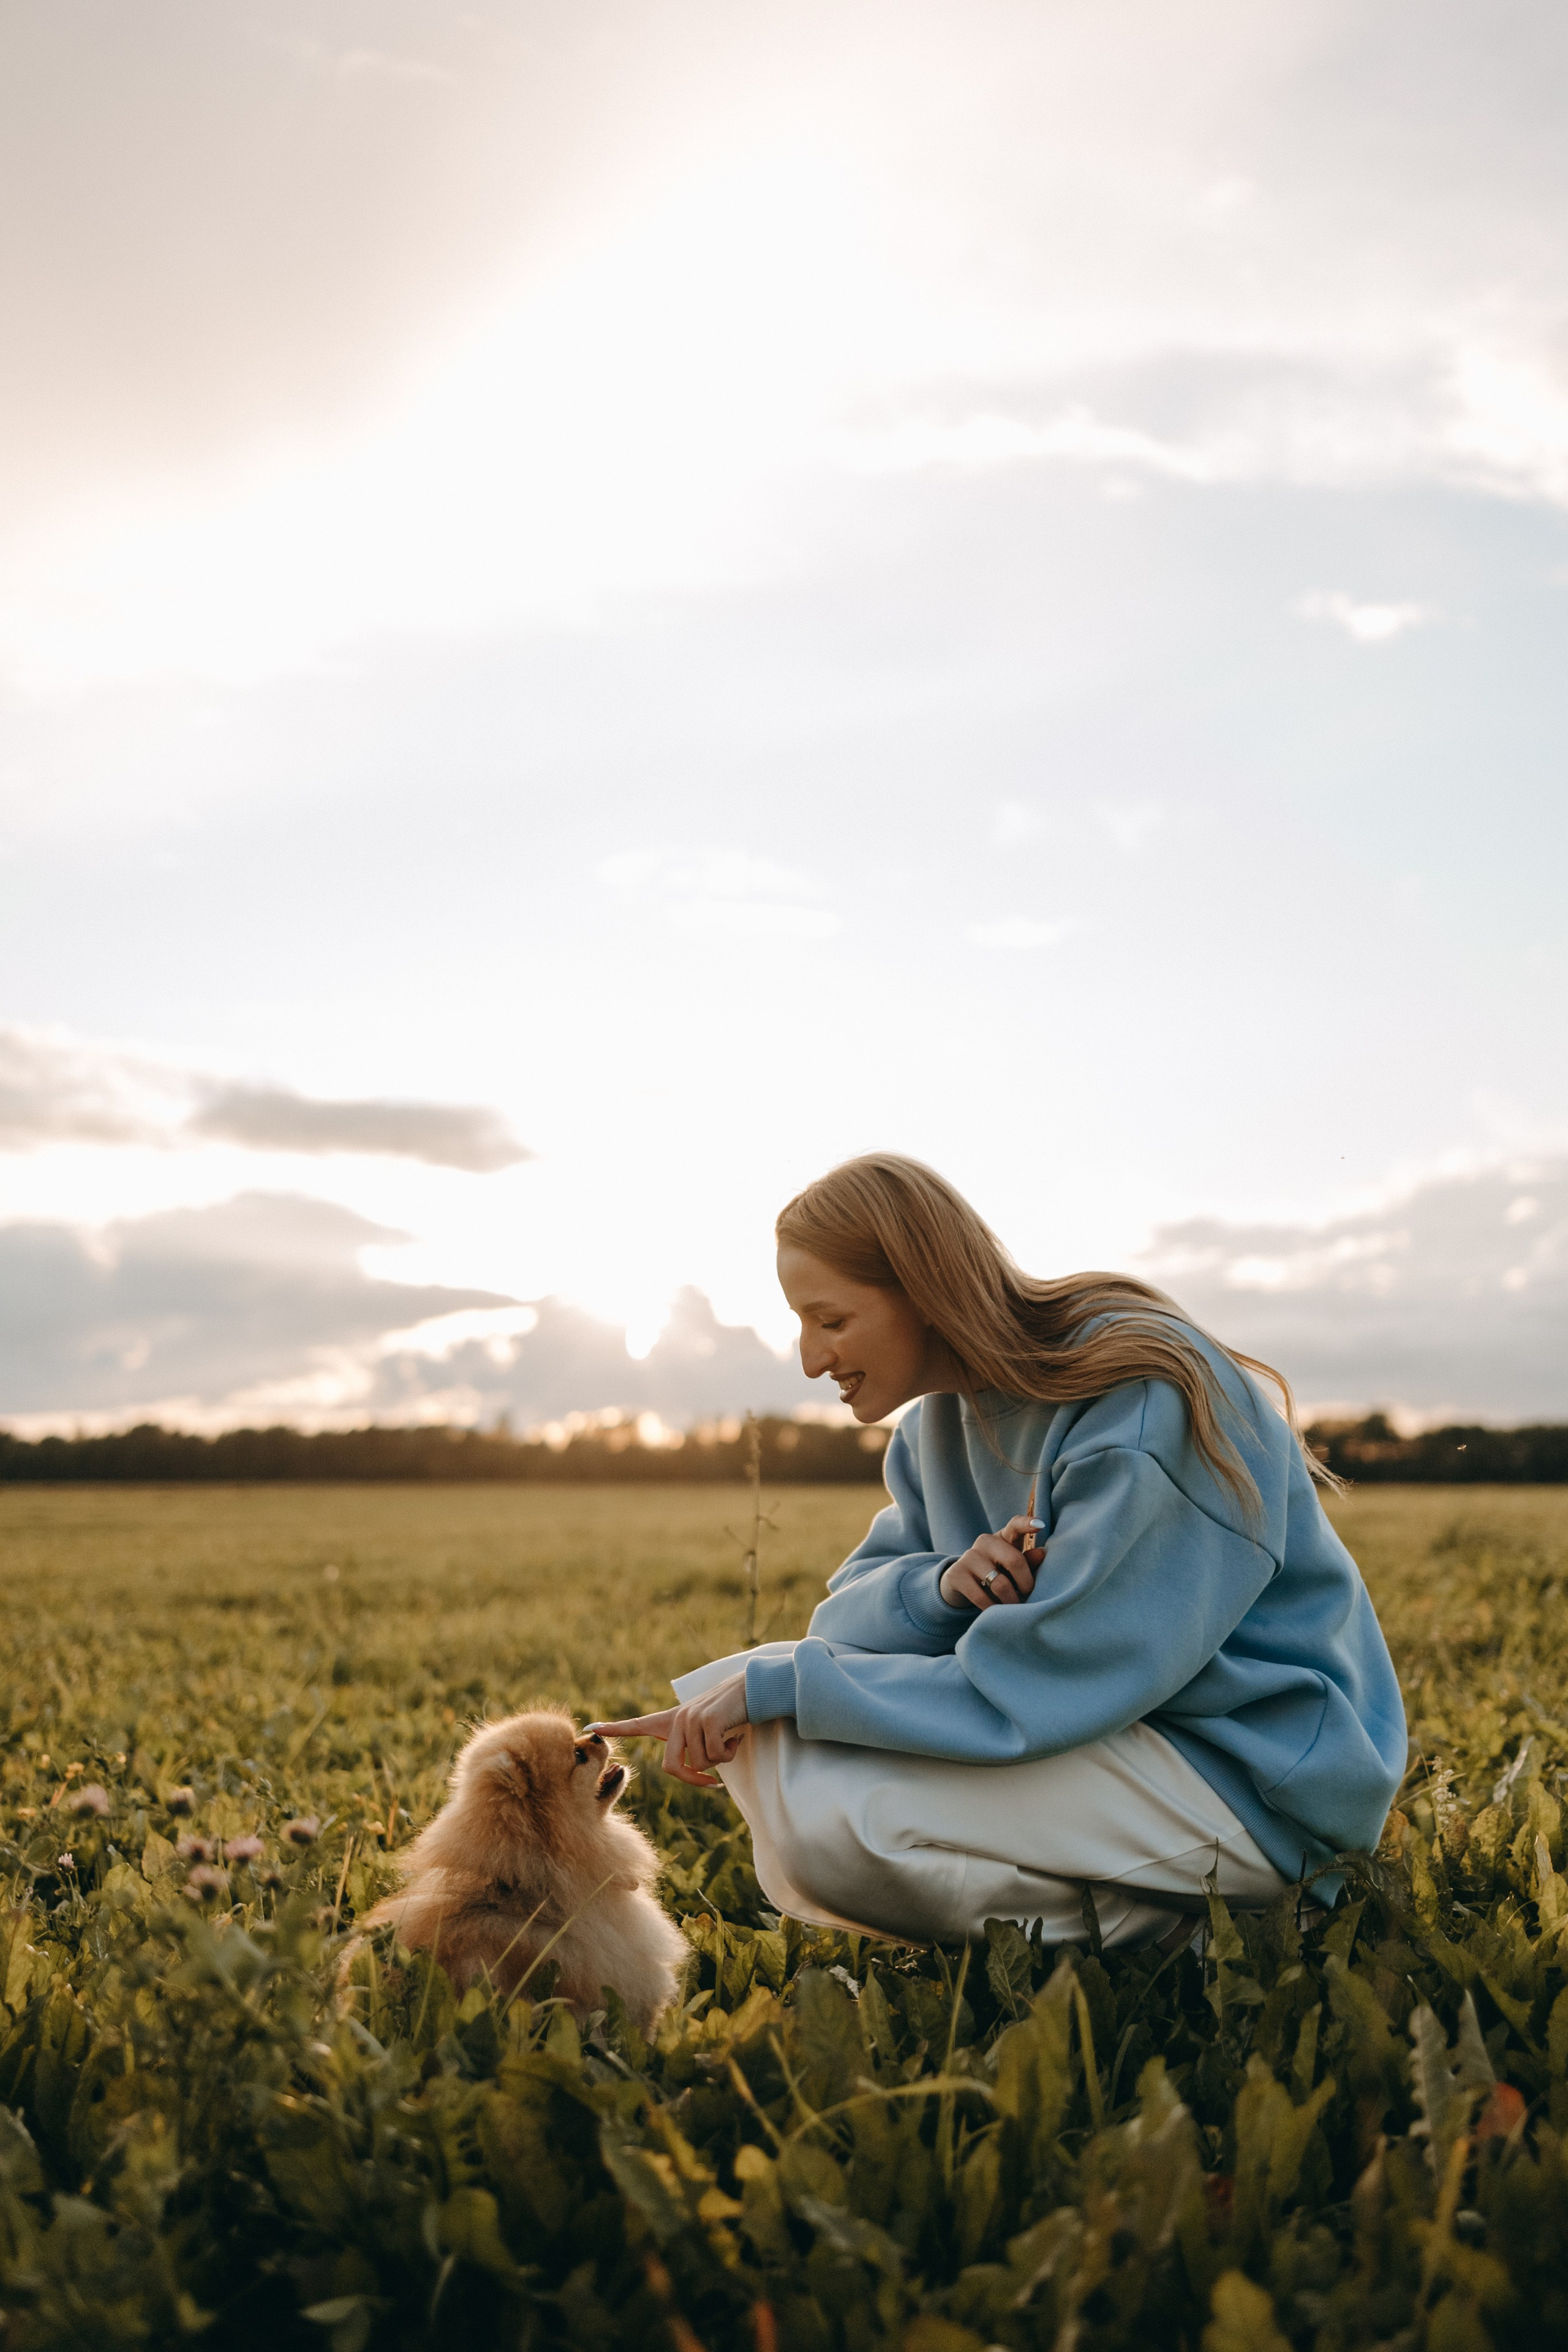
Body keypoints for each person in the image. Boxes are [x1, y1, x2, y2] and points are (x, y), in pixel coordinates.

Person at [590, 1154, 1406, 1949]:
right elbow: (840, 1624)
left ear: (924, 1292)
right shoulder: (933, 1431)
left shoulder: (1138, 1394)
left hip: (1254, 1779)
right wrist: (943, 1586)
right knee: (763, 1717)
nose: (811, 1360)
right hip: (1118, 1741)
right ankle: (1172, 1922)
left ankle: (1241, 1927)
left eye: (831, 1320)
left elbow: (1049, 1678)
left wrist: (781, 1689)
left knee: (837, 1819)